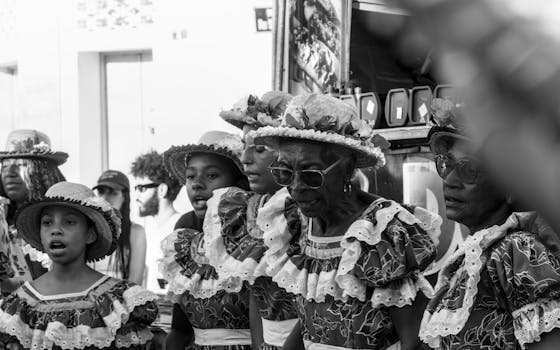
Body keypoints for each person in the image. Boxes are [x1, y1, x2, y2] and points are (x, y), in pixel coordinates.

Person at [252, 93, 439, 350]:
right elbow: (312, 318)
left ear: (348, 170)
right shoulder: (296, 224)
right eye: (285, 172)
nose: (296, 187)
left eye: (311, 175)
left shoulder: (381, 234)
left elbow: (417, 342)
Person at [418, 99, 560, 349]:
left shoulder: (517, 252)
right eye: (446, 164)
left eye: (469, 170)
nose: (450, 181)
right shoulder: (472, 257)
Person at [0, 181, 158, 350]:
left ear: (90, 234)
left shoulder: (118, 302)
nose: (56, 230)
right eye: (47, 222)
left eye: (69, 222)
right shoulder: (18, 305)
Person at [203, 91, 300, 350]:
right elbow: (256, 289)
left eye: (259, 149)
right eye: (244, 145)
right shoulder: (246, 209)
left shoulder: (302, 213)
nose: (245, 158)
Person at [161, 130, 252, 349]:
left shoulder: (259, 228)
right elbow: (180, 328)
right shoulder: (184, 233)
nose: (197, 184)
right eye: (191, 176)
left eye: (211, 175)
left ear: (239, 182)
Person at [0, 129, 67, 293]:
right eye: (5, 166)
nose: (10, 173)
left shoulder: (64, 221)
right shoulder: (2, 219)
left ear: (43, 172)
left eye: (22, 165)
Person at [130, 151, 182, 294]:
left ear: (162, 189)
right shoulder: (143, 230)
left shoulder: (180, 227)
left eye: (141, 188)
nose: (136, 196)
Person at [91, 169, 147, 285]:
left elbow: (134, 283)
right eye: (101, 191)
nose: (105, 198)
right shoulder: (86, 230)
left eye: (113, 192)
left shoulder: (135, 232)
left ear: (125, 197)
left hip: (121, 300)